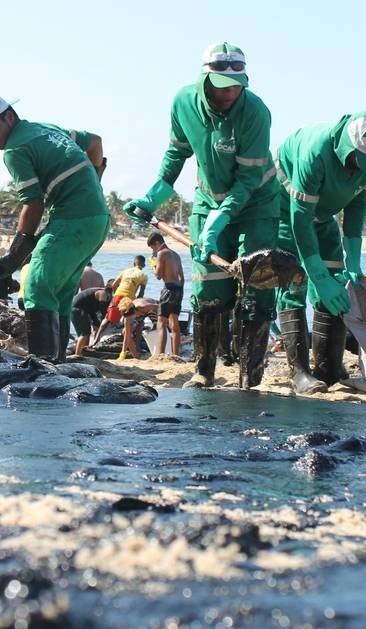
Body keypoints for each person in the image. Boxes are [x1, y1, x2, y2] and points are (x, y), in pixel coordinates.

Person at [124, 42, 279, 389]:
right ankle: (204, 370)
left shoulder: (255, 112)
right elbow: (175, 154)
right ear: (204, 80)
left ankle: (250, 377)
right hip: (209, 199)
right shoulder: (183, 102)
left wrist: (220, 221)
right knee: (209, 288)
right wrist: (154, 195)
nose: (230, 94)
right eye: (222, 87)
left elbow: (247, 180)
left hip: (256, 203)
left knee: (257, 283)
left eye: (236, 87)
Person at [0, 94, 109, 361]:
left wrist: (14, 255)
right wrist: (95, 178)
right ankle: (58, 363)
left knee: (35, 285)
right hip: (97, 219)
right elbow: (95, 142)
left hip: (72, 219)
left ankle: (42, 367)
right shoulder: (46, 129)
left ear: (9, 116)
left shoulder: (15, 150)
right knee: (60, 292)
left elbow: (33, 204)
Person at [274, 111, 366, 394]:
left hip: (324, 215)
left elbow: (356, 207)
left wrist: (353, 259)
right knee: (295, 282)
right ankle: (299, 372)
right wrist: (318, 277)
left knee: (336, 280)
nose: (362, 168)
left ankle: (328, 368)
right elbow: (300, 221)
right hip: (286, 210)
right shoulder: (315, 153)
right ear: (349, 147)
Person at [147, 232, 184, 356]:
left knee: (161, 322)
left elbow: (158, 275)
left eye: (153, 247)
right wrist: (179, 291)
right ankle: (176, 355)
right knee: (174, 324)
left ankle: (160, 355)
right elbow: (181, 277)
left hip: (168, 288)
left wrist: (153, 265)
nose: (154, 250)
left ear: (157, 243)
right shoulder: (176, 255)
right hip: (178, 289)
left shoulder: (162, 253)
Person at [71, 286, 111, 356]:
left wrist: (98, 324)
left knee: (95, 327)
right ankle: (77, 355)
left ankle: (85, 351)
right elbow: (103, 310)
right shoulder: (103, 293)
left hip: (88, 310)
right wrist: (105, 319)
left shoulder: (103, 297)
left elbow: (98, 313)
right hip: (77, 309)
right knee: (85, 333)